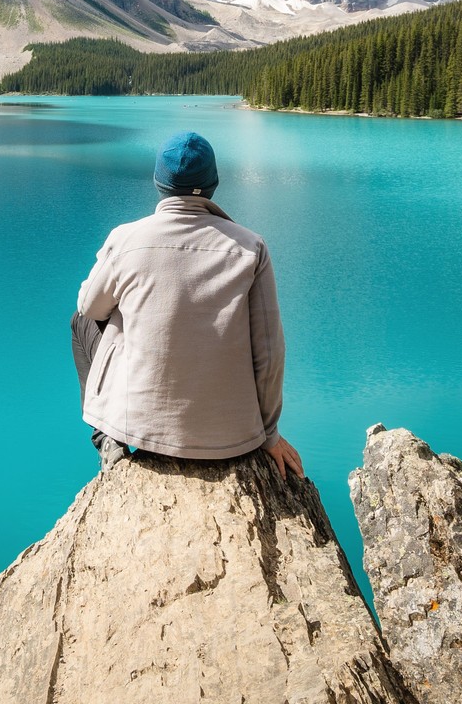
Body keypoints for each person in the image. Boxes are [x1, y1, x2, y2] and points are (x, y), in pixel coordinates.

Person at [71, 131, 305, 480]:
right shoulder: (251, 247)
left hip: (141, 430)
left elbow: (90, 308)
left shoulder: (127, 238)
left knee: (81, 321)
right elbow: (270, 352)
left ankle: (108, 435)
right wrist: (269, 435)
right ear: (213, 184)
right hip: (233, 439)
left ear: (158, 183)